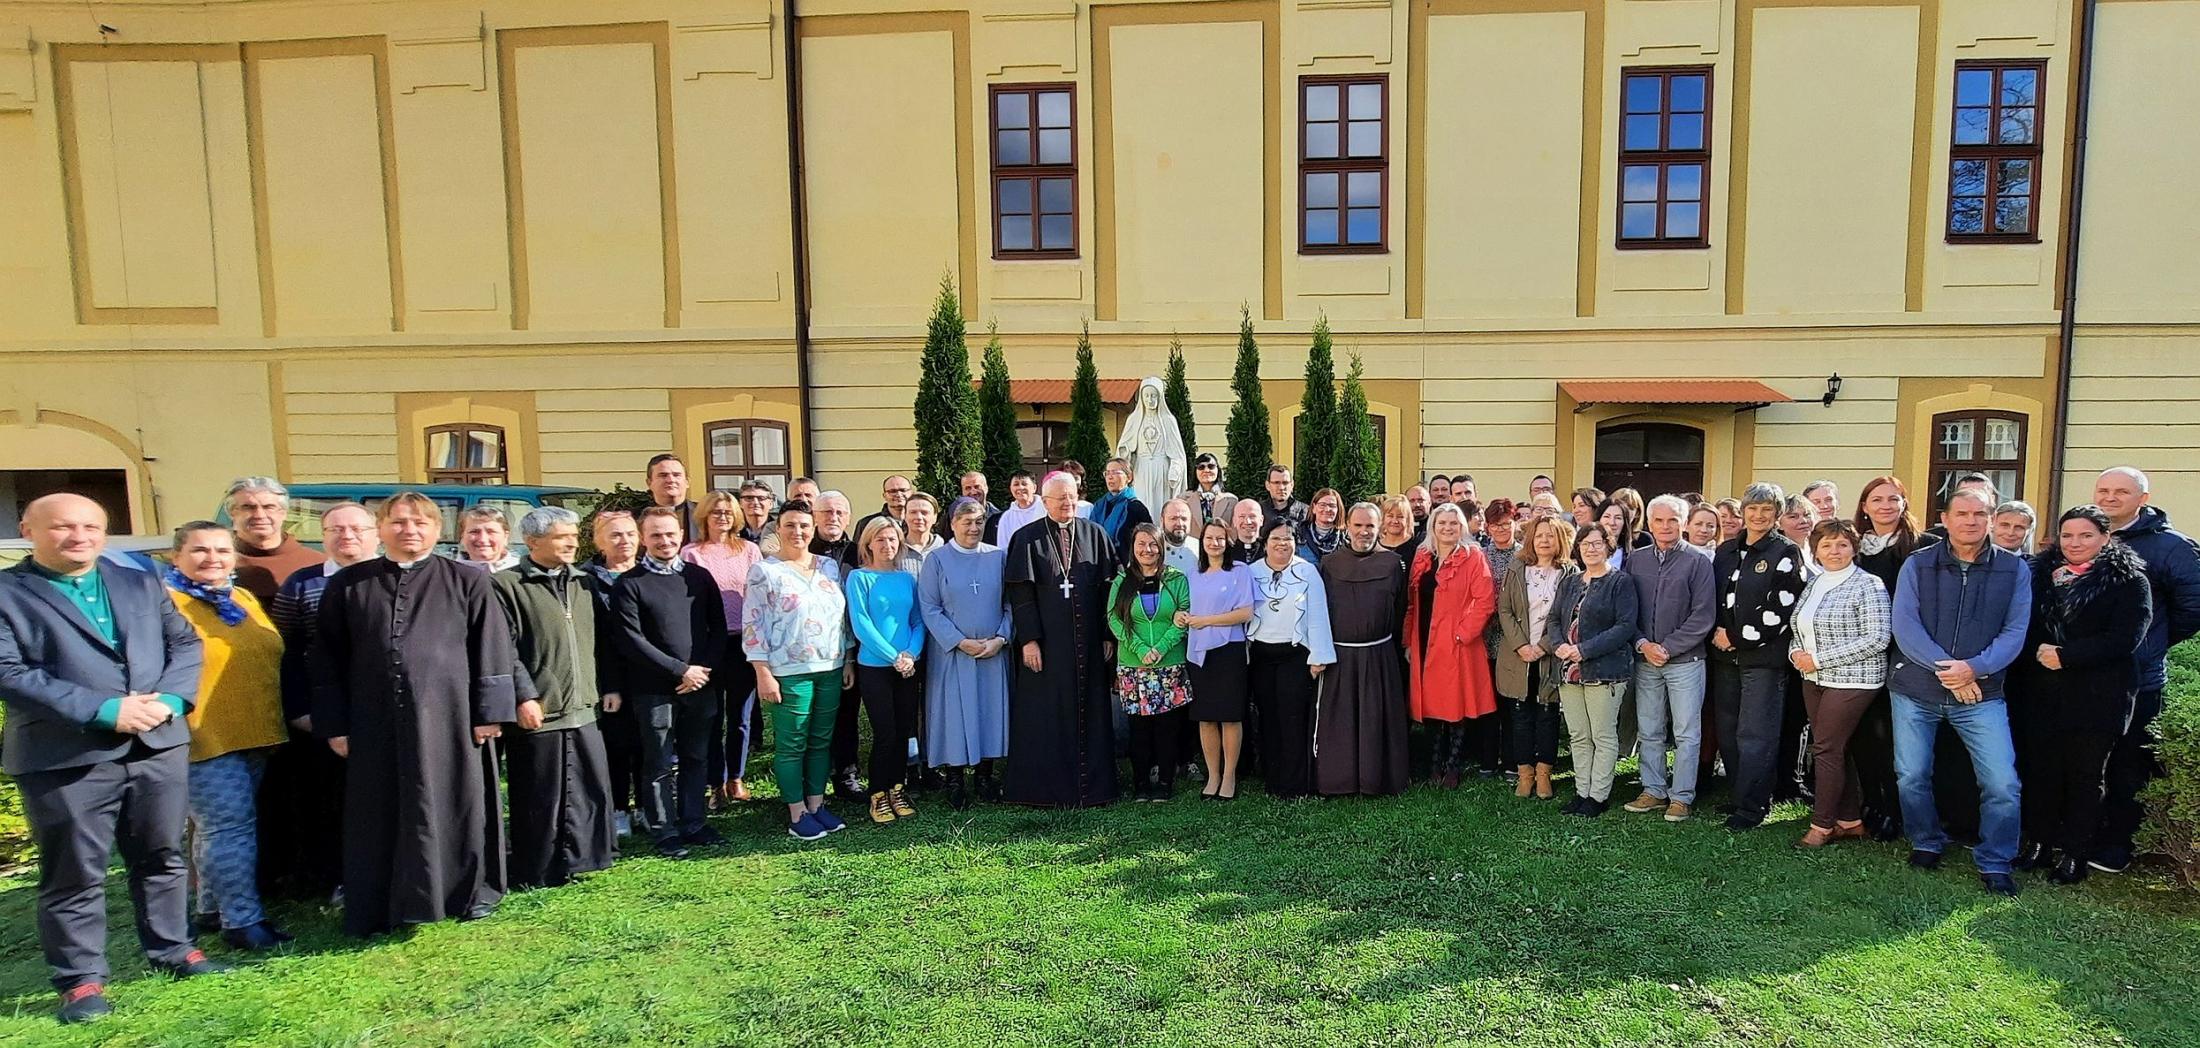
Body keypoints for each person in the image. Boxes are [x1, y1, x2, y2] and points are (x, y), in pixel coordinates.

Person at [1, 494, 226, 1023]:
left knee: (163, 855)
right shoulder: (8, 592)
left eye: (91, 526)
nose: (79, 536)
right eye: (63, 527)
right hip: (66, 754)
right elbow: (8, 671)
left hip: (156, 744)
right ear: (28, 530)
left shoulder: (138, 581)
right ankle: (80, 981)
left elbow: (184, 644)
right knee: (75, 871)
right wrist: (102, 710)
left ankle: (174, 950)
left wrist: (172, 700)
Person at [311, 491, 517, 936]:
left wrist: (489, 712)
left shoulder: (467, 580)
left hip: (451, 717)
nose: (410, 530)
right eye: (399, 522)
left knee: (456, 803)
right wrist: (335, 724)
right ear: (381, 529)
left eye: (420, 522)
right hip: (372, 720)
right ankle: (381, 899)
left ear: (437, 530)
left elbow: (492, 647)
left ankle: (465, 893)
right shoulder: (348, 584)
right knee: (378, 809)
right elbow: (327, 660)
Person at [1889, 488, 2031, 895]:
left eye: (1979, 514)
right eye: (1963, 513)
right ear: (1945, 519)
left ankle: (1996, 860)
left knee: (2002, 783)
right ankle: (1926, 841)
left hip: (1982, 694)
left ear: (1991, 519)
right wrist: (1951, 672)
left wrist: (1974, 670)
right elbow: (1906, 626)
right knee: (1911, 775)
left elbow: (2015, 631)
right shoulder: (1919, 564)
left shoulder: (2013, 570)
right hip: (1916, 689)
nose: (1971, 521)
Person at [163, 523, 291, 951]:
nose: (213, 558)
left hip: (252, 731)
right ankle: (243, 921)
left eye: (222, 550)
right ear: (176, 556)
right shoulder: (165, 603)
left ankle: (211, 909)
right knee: (229, 828)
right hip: (201, 735)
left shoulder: (241, 598)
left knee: (217, 829)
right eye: (200, 550)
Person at [2011, 506, 2151, 884]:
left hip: (2097, 697)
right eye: (2067, 535)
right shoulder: (2040, 577)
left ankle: (2076, 855)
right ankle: (2039, 844)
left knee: (2085, 779)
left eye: (2085, 535)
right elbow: (2022, 627)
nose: (2075, 543)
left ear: (2105, 538)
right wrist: (2038, 653)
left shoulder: (2130, 581)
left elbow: (2125, 638)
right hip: (2043, 694)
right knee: (2041, 772)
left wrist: (2067, 656)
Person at [492, 507, 619, 888]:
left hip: (584, 703)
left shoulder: (584, 582)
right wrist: (524, 696)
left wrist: (609, 686)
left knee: (589, 787)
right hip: (540, 707)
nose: (572, 543)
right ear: (532, 542)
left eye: (574, 536)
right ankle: (540, 868)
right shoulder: (506, 585)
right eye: (562, 537)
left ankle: (586, 859)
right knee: (541, 793)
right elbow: (503, 649)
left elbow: (603, 641)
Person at [263, 501, 378, 898]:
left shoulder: (395, 577)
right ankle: (338, 878)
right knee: (331, 800)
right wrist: (298, 709)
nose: (347, 536)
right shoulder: (301, 583)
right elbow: (284, 652)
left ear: (375, 534)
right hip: (325, 713)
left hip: (386, 710)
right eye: (336, 530)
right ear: (323, 537)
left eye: (357, 529)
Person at [2091, 466, 2200, 873]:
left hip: (2139, 678)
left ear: (2143, 499)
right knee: (2087, 759)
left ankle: (2117, 846)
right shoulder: (2087, 535)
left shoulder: (2171, 547)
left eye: (2121, 492)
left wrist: (2150, 643)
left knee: (2128, 764)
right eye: (2103, 490)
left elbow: (2193, 608)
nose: (2110, 498)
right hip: (2085, 675)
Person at [612, 506, 728, 859]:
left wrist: (702, 671)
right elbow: (631, 640)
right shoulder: (629, 584)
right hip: (655, 689)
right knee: (658, 763)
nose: (664, 540)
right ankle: (664, 830)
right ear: (643, 539)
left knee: (696, 757)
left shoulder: (698, 577)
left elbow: (718, 628)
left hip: (701, 684)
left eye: (670, 533)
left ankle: (694, 822)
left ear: (680, 535)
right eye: (655, 535)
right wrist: (680, 670)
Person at [1003, 472, 1123, 807]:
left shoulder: (1095, 533)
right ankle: (1044, 789)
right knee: (1046, 713)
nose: (1068, 503)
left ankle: (1094, 788)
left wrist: (1106, 635)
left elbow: (1107, 590)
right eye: (1060, 498)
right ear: (1045, 502)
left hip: (1088, 643)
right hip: (1047, 645)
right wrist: (1029, 640)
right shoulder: (1027, 538)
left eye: (1072, 496)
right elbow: (1021, 594)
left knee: (1090, 711)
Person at [744, 501, 853, 841]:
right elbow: (753, 624)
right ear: (778, 529)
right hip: (789, 670)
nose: (798, 532)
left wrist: (848, 658)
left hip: (831, 665)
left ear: (813, 528)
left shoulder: (828, 567)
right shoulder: (765, 571)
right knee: (792, 743)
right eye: (790, 525)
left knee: (821, 740)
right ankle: (797, 812)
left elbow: (841, 617)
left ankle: (817, 805)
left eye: (804, 525)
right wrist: (762, 672)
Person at [1787, 519, 1893, 848]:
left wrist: (1818, 659)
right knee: (1834, 749)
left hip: (1854, 679)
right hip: (1813, 678)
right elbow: (1799, 627)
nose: (1835, 551)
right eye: (1827, 545)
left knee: (1827, 749)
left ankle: (1822, 825)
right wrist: (1795, 654)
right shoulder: (1815, 582)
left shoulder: (1869, 584)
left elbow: (1877, 638)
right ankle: (1850, 821)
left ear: (1853, 548)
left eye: (1842, 544)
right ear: (1816, 551)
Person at [1710, 483, 1807, 833]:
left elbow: (1781, 609)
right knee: (1729, 731)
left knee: (1756, 735)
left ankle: (1754, 806)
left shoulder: (1786, 552)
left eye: (1767, 509)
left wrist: (1736, 637)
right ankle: (1739, 795)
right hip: (1724, 659)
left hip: (1763, 660)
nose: (1759, 515)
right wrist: (1719, 634)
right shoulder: (1726, 550)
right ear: (1743, 512)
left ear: (1777, 514)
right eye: (1752, 508)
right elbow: (1713, 598)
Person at [1620, 495, 1717, 823]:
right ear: (1649, 523)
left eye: (1673, 520)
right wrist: (1643, 644)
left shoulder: (1698, 561)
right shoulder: (1636, 560)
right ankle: (1653, 790)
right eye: (1659, 520)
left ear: (1684, 523)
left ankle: (1681, 796)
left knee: (1687, 732)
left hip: (1686, 662)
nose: (1666, 526)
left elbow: (1703, 615)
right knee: (1649, 728)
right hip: (1645, 659)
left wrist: (1668, 648)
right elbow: (1627, 611)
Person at [1849, 475, 1935, 841]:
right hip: (1858, 655)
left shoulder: (1923, 547)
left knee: (1894, 737)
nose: (1885, 506)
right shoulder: (1852, 547)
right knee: (1862, 732)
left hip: (1905, 655)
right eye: (1877, 499)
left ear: (1904, 504)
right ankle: (1871, 802)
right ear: (1865, 507)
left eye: (1893, 499)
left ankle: (1895, 810)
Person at [917, 498, 1013, 809]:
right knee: (954, 714)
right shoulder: (937, 560)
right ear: (953, 524)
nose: (973, 528)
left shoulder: (997, 557)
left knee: (988, 710)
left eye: (979, 522)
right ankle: (955, 780)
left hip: (991, 651)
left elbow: (1011, 603)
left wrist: (1001, 638)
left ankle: (985, 777)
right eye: (966, 522)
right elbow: (929, 607)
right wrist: (958, 641)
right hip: (953, 654)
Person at [1315, 503, 1411, 797]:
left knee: (1375, 719)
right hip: (1339, 657)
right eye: (1358, 525)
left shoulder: (1394, 564)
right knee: (1340, 719)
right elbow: (1320, 611)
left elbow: (1401, 608)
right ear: (1347, 526)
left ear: (1379, 527)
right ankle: (1339, 780)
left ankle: (1375, 778)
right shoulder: (1329, 564)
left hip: (1379, 655)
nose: (1364, 532)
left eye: (1370, 526)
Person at [1547, 523, 1640, 817]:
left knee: (1602, 735)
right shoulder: (1570, 582)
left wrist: (1584, 650)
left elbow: (1624, 626)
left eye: (1597, 543)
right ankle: (1582, 792)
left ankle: (1598, 796)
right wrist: (1559, 645)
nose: (1591, 549)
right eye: (1585, 544)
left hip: (1605, 671)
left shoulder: (1620, 582)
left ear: (1608, 547)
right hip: (1568, 671)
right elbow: (1554, 619)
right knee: (1578, 735)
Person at [1405, 504, 1498, 787]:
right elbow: (1412, 602)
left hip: (1457, 642)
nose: (1447, 528)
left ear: (1462, 527)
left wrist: (1462, 634)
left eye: (1453, 523)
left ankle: (1453, 766)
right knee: (1431, 704)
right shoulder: (1422, 556)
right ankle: (1434, 765)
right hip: (1425, 639)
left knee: (1456, 704)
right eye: (1442, 523)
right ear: (1432, 526)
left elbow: (1485, 600)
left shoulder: (1473, 556)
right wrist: (1408, 640)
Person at [1247, 519, 1337, 797]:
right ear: (1264, 543)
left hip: (1295, 656)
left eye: (1287, 538)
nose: (1282, 544)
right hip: (1261, 655)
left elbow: (1319, 614)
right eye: (1275, 538)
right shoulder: (1251, 572)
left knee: (1292, 717)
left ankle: (1294, 783)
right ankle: (1271, 777)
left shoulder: (1307, 572)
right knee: (1268, 716)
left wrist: (1319, 656)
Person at [682, 492, 762, 807]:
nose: (722, 517)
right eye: (716, 512)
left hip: (743, 641)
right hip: (708, 643)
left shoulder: (749, 550)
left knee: (740, 715)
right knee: (711, 717)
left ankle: (736, 778)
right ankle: (715, 782)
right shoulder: (691, 553)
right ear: (704, 515)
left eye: (728, 512)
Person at [848, 517, 926, 824]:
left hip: (907, 666)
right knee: (885, 734)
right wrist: (894, 657)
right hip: (876, 667)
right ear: (869, 544)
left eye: (892, 539)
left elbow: (917, 621)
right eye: (880, 540)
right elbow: (862, 625)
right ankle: (878, 794)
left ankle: (897, 789)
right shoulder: (859, 578)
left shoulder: (906, 579)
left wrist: (911, 655)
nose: (887, 545)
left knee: (904, 731)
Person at [1108, 524, 1193, 801]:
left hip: (1169, 664)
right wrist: (1141, 648)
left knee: (1168, 728)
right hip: (1134, 665)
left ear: (1161, 547)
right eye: (1141, 544)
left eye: (1153, 544)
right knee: (1139, 729)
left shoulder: (1176, 579)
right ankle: (1141, 783)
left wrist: (1161, 648)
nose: (1148, 550)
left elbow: (1184, 615)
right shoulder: (1122, 581)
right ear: (1133, 548)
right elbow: (1113, 618)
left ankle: (1165, 782)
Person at [1499, 515, 1575, 800]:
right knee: (1520, 716)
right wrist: (1521, 645)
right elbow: (1504, 609)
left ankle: (1544, 775)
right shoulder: (1517, 568)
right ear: (1531, 538)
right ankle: (1525, 775)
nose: (1544, 541)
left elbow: (1569, 614)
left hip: (1551, 655)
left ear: (1560, 540)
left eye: (1550, 535)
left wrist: (1543, 646)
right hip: (1517, 656)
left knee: (1547, 716)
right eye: (1540, 535)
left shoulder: (1569, 572)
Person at [582, 511, 646, 839]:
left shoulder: (650, 572)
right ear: (599, 541)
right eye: (615, 535)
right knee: (617, 746)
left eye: (630, 534)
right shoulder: (586, 579)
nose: (624, 541)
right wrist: (611, 685)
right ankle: (619, 808)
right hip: (610, 676)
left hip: (649, 674)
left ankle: (646, 807)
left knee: (648, 745)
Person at [1183, 520, 1255, 800]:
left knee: (1230, 717)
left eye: (1220, 538)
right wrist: (1180, 616)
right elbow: (1182, 607)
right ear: (1202, 542)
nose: (1215, 543)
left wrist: (1206, 621)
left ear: (1228, 542)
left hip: (1229, 651)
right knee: (1206, 718)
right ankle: (1213, 775)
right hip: (1199, 653)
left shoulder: (1239, 571)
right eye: (1209, 538)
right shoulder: (1192, 574)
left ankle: (1229, 776)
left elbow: (1245, 613)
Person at [225, 478, 324, 604]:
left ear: (284, 513)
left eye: (268, 507)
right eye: (248, 507)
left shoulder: (318, 564)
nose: (259, 515)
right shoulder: (216, 563)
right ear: (231, 513)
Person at [1115, 376, 1190, 522]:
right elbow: (1123, 453)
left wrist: (1175, 470)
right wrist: (1125, 453)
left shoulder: (1168, 421)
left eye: (1154, 396)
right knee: (1142, 505)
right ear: (1141, 397)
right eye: (1147, 396)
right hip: (1141, 471)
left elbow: (1177, 454)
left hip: (1162, 471)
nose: (1150, 400)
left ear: (1160, 397)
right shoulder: (1134, 420)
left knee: (1161, 506)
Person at [1088, 458, 1156, 559]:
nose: (1110, 477)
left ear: (1129, 477)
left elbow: (1148, 538)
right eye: (1107, 473)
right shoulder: (1099, 506)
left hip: (1126, 563)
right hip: (1100, 560)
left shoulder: (1136, 508)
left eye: (1115, 472)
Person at [646, 454, 696, 545]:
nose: (671, 480)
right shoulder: (636, 519)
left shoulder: (705, 514)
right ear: (649, 483)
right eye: (663, 475)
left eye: (677, 475)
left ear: (687, 482)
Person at [1184, 453, 1238, 532]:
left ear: (1218, 470)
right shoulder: (1183, 499)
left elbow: (1235, 530)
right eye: (1201, 467)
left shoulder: (1231, 500)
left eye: (1211, 466)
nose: (1206, 470)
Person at [458, 505, 521, 572]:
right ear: (462, 536)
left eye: (491, 532)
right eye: (474, 532)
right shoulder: (451, 572)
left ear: (505, 537)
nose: (483, 539)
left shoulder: (521, 572)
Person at [855, 475, 915, 542]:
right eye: (892, 491)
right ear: (885, 496)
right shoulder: (867, 523)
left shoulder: (920, 521)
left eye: (903, 490)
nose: (898, 494)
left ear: (911, 493)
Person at [896, 492, 945, 572]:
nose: (918, 517)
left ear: (935, 518)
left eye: (924, 513)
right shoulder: (894, 549)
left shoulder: (945, 550)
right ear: (905, 516)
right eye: (913, 512)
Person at [1295, 488, 1344, 563]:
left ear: (1338, 510)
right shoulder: (1298, 534)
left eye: (1332, 506)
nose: (1327, 509)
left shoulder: (1346, 538)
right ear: (1314, 508)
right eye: (1322, 505)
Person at [997, 471, 1045, 546]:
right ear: (1011, 489)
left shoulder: (1046, 509)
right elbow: (1003, 546)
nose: (1020, 487)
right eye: (1016, 484)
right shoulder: (1007, 517)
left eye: (1024, 484)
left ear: (1034, 488)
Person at [1156, 498, 1200, 576]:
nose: (1179, 524)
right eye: (1173, 518)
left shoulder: (1199, 548)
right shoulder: (1153, 548)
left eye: (1184, 519)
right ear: (1162, 521)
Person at [960, 471, 1004, 545]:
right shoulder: (955, 518)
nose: (973, 492)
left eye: (977, 487)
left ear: (986, 488)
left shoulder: (1000, 518)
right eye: (968, 488)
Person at [1258, 465, 1308, 529]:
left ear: (1292, 484)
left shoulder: (1305, 512)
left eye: (1285, 483)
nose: (1281, 487)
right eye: (1276, 483)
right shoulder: (1259, 511)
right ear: (1267, 485)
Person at [1779, 495, 1820, 575]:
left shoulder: (1821, 547)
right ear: (1779, 523)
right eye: (1793, 517)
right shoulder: (1779, 553)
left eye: (1807, 515)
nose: (1803, 521)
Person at [1594, 499, 1634, 572]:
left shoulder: (1633, 558)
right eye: (1607, 516)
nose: (1612, 523)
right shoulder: (1584, 551)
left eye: (1618, 518)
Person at [1376, 497, 1416, 562]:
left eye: (1400, 517)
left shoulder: (1416, 546)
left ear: (1408, 519)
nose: (1395, 521)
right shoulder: (1375, 547)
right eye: (1390, 516)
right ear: (1383, 518)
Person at [1229, 498, 1267, 565]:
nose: (1248, 522)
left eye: (1252, 516)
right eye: (1242, 516)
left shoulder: (1270, 552)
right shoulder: (1226, 554)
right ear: (1234, 521)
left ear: (1261, 520)